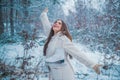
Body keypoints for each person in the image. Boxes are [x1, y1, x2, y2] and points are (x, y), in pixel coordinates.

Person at [40, 8, 102, 80]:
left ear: (62, 28)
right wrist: (43, 14)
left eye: (59, 23)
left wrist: (93, 65)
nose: (56, 23)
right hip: (54, 73)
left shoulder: (63, 39)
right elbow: (46, 26)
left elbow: (77, 53)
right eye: (55, 22)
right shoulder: (51, 37)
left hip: (64, 74)